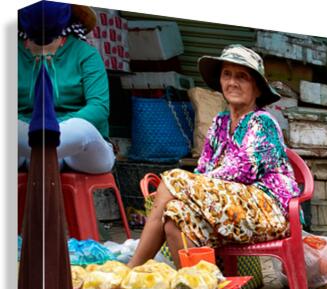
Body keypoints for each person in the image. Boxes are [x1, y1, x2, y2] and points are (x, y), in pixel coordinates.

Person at [128, 44, 299, 268]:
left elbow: (242, 170)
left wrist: (187, 185)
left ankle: (131, 269)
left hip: (268, 210)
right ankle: (199, 284)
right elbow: (203, 168)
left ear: (257, 88)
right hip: (231, 208)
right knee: (175, 215)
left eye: (242, 77)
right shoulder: (219, 123)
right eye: (227, 74)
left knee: (174, 180)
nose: (232, 82)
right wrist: (191, 186)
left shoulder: (262, 122)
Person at [18, 1, 115, 175]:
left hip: (80, 151)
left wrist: (55, 126)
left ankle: (44, 150)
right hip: (24, 143)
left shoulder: (85, 53)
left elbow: (99, 108)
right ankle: (44, 152)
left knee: (81, 129)